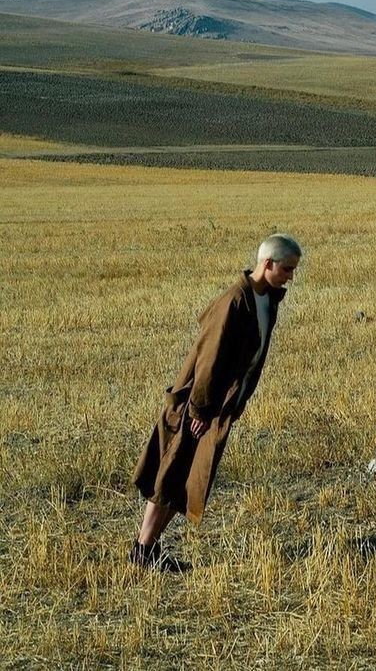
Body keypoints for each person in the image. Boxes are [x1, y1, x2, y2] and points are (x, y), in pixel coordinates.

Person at [129, 233, 303, 571]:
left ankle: (148, 549)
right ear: (267, 264)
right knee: (171, 475)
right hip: (197, 408)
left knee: (184, 478)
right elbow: (208, 361)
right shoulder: (235, 302)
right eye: (287, 269)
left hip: (218, 409)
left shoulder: (265, 299)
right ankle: (143, 550)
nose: (291, 277)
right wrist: (199, 409)